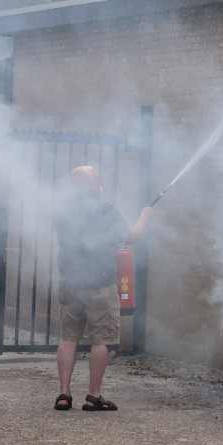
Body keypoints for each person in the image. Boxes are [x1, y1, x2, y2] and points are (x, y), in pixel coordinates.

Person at [53, 166, 153, 412]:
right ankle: (93, 396)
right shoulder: (105, 210)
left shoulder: (61, 211)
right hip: (99, 285)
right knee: (101, 340)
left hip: (70, 283)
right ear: (92, 185)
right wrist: (145, 217)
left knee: (68, 338)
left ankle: (64, 394)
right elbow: (131, 237)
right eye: (96, 179)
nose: (100, 183)